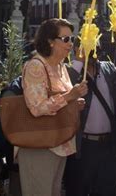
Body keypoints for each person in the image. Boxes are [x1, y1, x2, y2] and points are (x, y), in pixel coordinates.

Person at [19, 18, 87, 196]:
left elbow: (61, 100)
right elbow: (36, 107)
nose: (70, 43)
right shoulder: (36, 65)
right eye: (65, 39)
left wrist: (74, 103)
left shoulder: (62, 67)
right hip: (40, 144)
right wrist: (70, 96)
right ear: (50, 41)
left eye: (72, 39)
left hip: (60, 142)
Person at [64, 39, 116, 196]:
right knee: (79, 189)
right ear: (77, 48)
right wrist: (78, 61)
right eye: (88, 44)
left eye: (95, 43)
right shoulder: (70, 72)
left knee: (106, 190)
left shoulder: (108, 68)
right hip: (83, 145)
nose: (93, 48)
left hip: (108, 144)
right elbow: (64, 87)